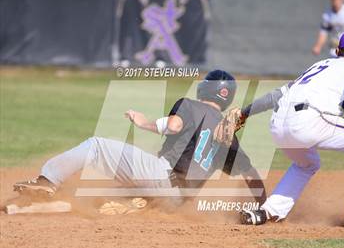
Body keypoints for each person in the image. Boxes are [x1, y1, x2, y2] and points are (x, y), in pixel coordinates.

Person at [14, 70, 266, 206]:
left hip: (160, 178)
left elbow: (174, 125)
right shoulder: (228, 135)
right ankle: (131, 204)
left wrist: (143, 122)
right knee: (106, 199)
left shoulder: (190, 105)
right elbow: (252, 175)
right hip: (178, 201)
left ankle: (48, 181)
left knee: (96, 146)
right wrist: (264, 208)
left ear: (205, 88)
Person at [239, 30, 344, 228]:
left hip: (278, 125)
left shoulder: (319, 66)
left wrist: (244, 113)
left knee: (307, 164)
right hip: (309, 121)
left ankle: (268, 211)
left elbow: (275, 95)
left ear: (338, 50)